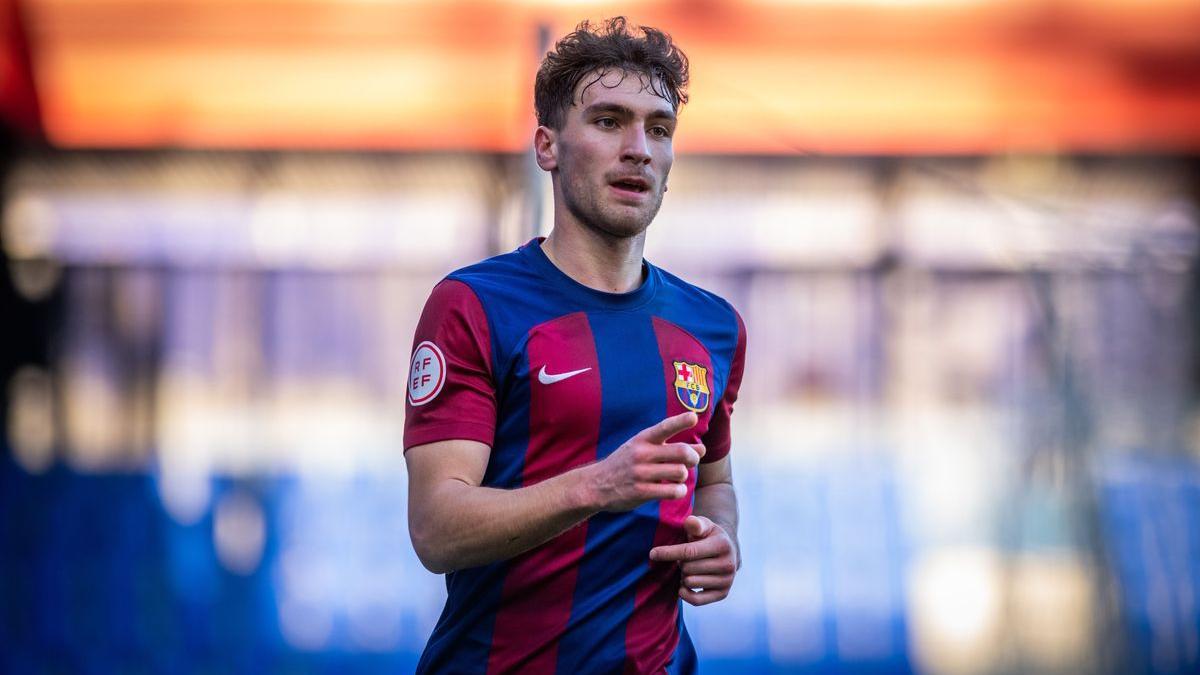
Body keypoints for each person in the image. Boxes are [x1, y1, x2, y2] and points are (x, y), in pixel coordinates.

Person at [403, 16, 746, 674]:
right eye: (610, 121)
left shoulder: (713, 327)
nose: (639, 148)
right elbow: (436, 528)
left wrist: (721, 535)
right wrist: (596, 485)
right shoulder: (475, 306)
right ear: (547, 147)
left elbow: (716, 480)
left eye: (659, 128)